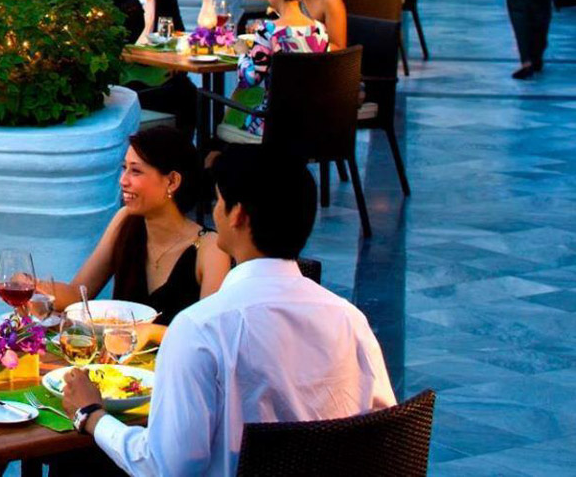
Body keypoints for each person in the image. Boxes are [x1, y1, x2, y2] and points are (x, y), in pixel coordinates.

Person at [61, 147, 394, 476]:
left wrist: (91, 415)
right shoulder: (350, 319)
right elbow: (384, 433)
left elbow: (165, 467)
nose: (215, 213)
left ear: (238, 216)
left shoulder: (201, 327)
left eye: (219, 201)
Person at [39, 128, 228, 325]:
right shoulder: (125, 220)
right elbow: (78, 296)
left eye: (136, 171)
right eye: (124, 168)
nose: (123, 180)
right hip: (116, 355)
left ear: (172, 181)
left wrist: (150, 334)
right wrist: (34, 288)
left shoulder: (209, 247)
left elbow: (209, 333)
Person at [220, 0, 332, 142]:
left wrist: (242, 53)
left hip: (272, 124)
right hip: (311, 123)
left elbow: (250, 78)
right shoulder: (319, 30)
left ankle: (218, 159)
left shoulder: (269, 31)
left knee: (237, 102)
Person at [104, 0, 198, 133]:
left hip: (158, 71)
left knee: (191, 93)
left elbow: (178, 34)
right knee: (181, 95)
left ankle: (187, 157)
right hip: (125, 75)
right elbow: (112, 22)